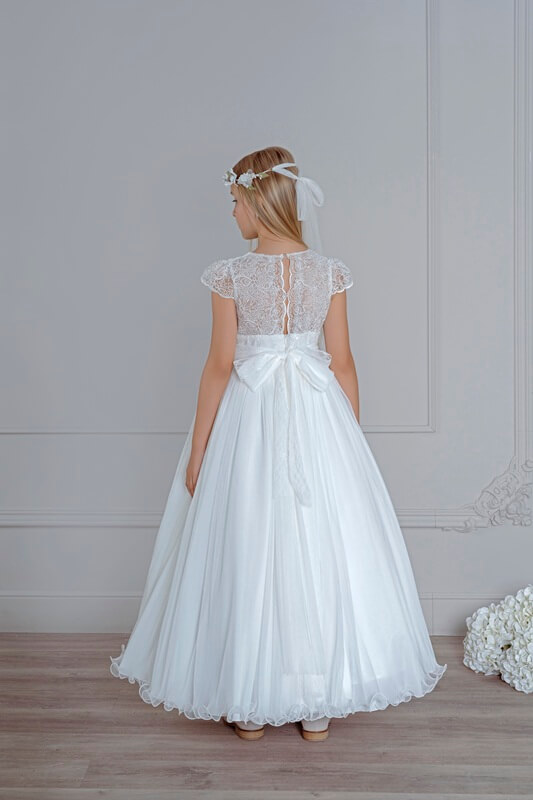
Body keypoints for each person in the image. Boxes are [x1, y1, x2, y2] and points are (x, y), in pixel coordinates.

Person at [109, 146, 447, 743]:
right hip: (319, 417)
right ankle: (316, 705)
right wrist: (349, 443)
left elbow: (219, 366)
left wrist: (199, 450)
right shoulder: (330, 272)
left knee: (250, 541)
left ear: (257, 203)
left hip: (251, 417)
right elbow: (344, 364)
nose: (231, 213)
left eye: (234, 202)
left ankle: (249, 701)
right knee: (314, 548)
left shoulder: (230, 275)